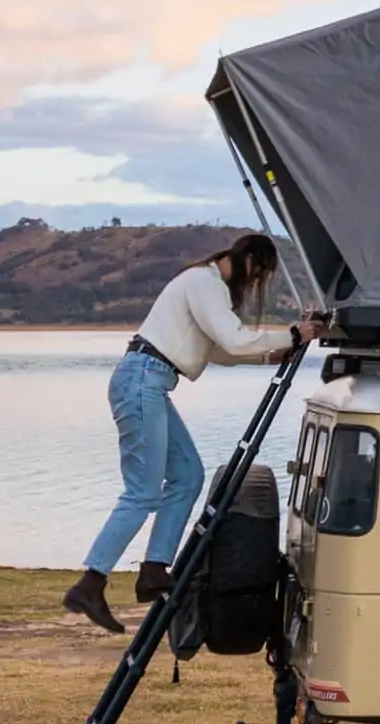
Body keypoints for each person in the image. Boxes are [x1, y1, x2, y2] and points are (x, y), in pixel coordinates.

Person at [62, 235, 321, 633]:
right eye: (260, 274)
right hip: (142, 380)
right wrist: (292, 334)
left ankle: (153, 569)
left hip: (150, 381)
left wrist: (272, 355)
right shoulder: (205, 283)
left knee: (187, 475)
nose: (255, 284)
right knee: (142, 493)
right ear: (249, 259)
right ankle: (90, 582)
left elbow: (218, 351)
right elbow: (234, 339)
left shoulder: (206, 287)